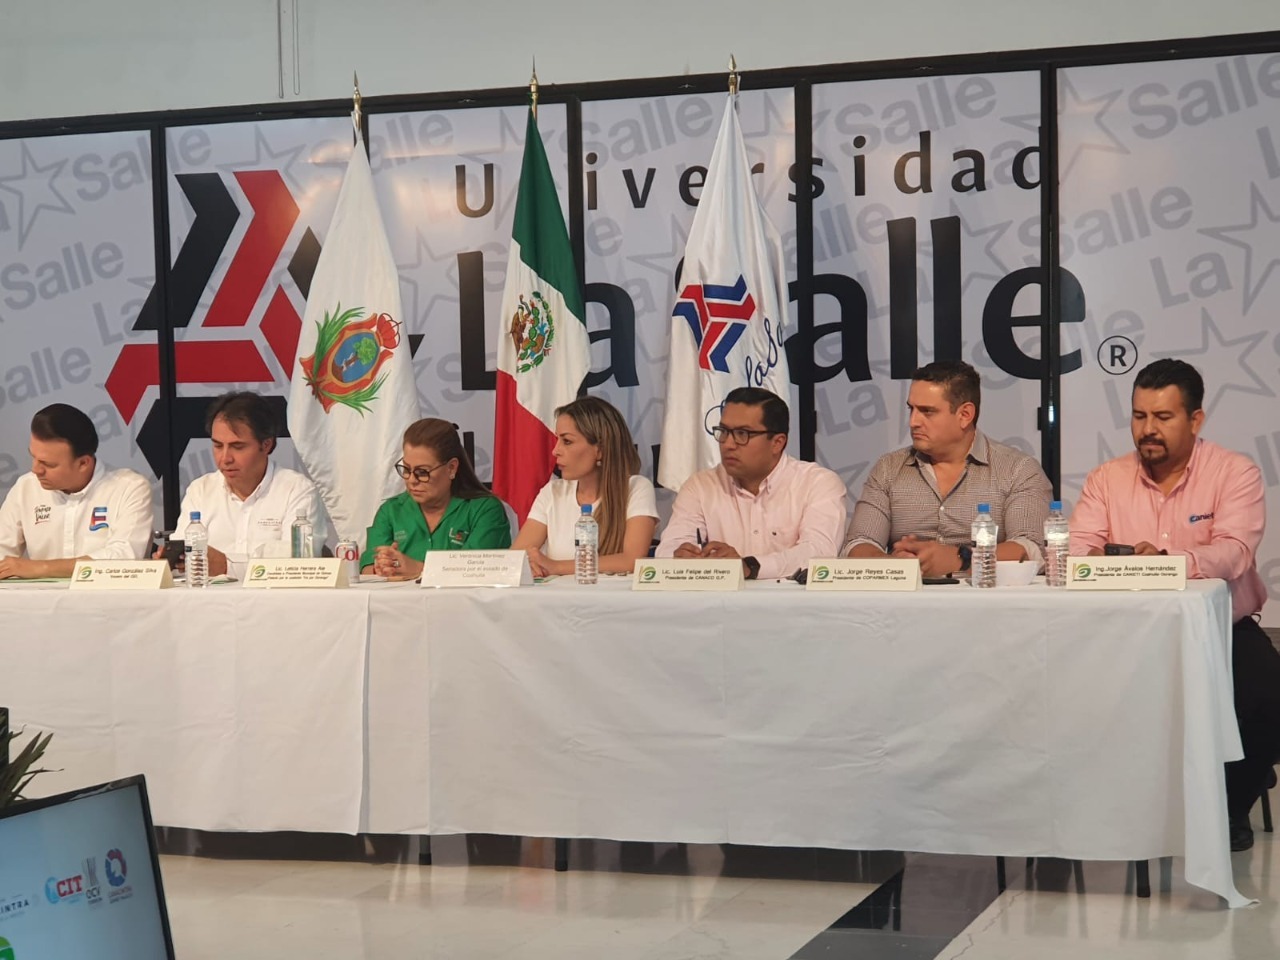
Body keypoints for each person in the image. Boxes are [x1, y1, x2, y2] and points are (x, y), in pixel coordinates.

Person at [1070, 358, 1280, 853]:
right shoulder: (1106, 479)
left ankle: (1230, 805)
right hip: (1125, 633)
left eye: (1163, 417)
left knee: (1270, 701)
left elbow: (1234, 552)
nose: (1148, 429)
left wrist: (1167, 563)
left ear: (1195, 419)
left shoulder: (1234, 473)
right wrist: (1113, 562)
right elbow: (1078, 552)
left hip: (1220, 629)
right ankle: (1106, 808)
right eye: (1139, 416)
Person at [844, 360, 1052, 577]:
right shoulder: (888, 468)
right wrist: (894, 564)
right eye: (911, 409)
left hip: (983, 595)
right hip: (907, 595)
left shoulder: (1017, 470)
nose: (913, 422)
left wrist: (959, 559)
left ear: (965, 415)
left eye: (927, 411)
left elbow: (1031, 550)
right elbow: (858, 543)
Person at [655, 386, 847, 580]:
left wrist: (750, 567)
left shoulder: (817, 483)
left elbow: (818, 552)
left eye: (742, 434)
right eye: (724, 431)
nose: (728, 444)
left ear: (777, 443)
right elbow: (668, 549)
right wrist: (681, 558)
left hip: (791, 599)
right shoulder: (700, 486)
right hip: (719, 598)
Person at [168, 391, 326, 577]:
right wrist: (174, 560)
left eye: (237, 447)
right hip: (208, 595)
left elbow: (295, 565)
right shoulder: (200, 490)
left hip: (274, 595)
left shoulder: (297, 490)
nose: (225, 458)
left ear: (266, 445)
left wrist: (227, 566)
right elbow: (184, 555)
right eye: (218, 446)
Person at [0, 403, 153, 578]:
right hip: (37, 596)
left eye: (48, 464)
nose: (36, 469)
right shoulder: (25, 487)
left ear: (83, 463)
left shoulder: (129, 487)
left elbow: (125, 557)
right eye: (33, 457)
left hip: (108, 595)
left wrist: (40, 568)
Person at [512, 396, 658, 577]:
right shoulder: (553, 492)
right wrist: (530, 563)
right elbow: (516, 558)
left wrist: (556, 567)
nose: (555, 451)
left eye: (567, 441)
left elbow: (632, 560)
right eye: (557, 440)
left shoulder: (636, 488)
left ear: (600, 450)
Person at [363, 418, 511, 578]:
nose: (411, 480)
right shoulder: (391, 511)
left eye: (422, 472)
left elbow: (481, 571)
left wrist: (419, 569)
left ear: (451, 468)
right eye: (406, 469)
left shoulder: (485, 510)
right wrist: (382, 567)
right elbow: (367, 568)